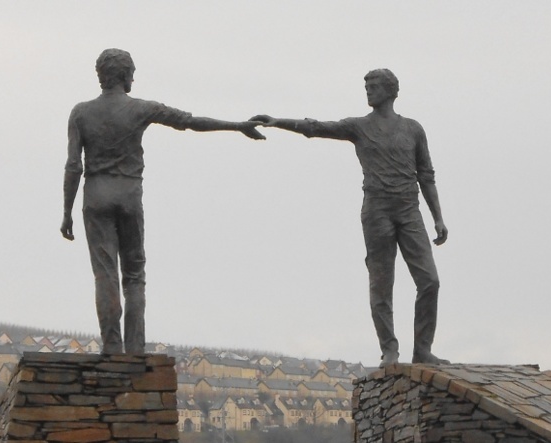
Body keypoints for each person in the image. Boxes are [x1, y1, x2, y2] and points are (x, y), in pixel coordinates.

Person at [61, 48, 265, 354]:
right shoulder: (141, 108)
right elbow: (190, 121)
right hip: (128, 194)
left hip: (96, 195)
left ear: (101, 76)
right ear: (126, 75)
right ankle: (134, 348)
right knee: (134, 275)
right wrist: (237, 125)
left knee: (105, 273)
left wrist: (67, 211)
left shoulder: (80, 112)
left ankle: (112, 347)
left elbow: (74, 165)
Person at [251, 69, 449, 365]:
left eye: (374, 86)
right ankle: (389, 348)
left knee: (430, 280)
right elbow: (317, 128)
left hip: (409, 211)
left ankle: (422, 349)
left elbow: (427, 175)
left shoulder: (413, 129)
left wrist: (438, 217)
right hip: (377, 211)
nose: (368, 90)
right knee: (381, 283)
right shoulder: (359, 127)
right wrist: (277, 122)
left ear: (391, 91)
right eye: (366, 86)